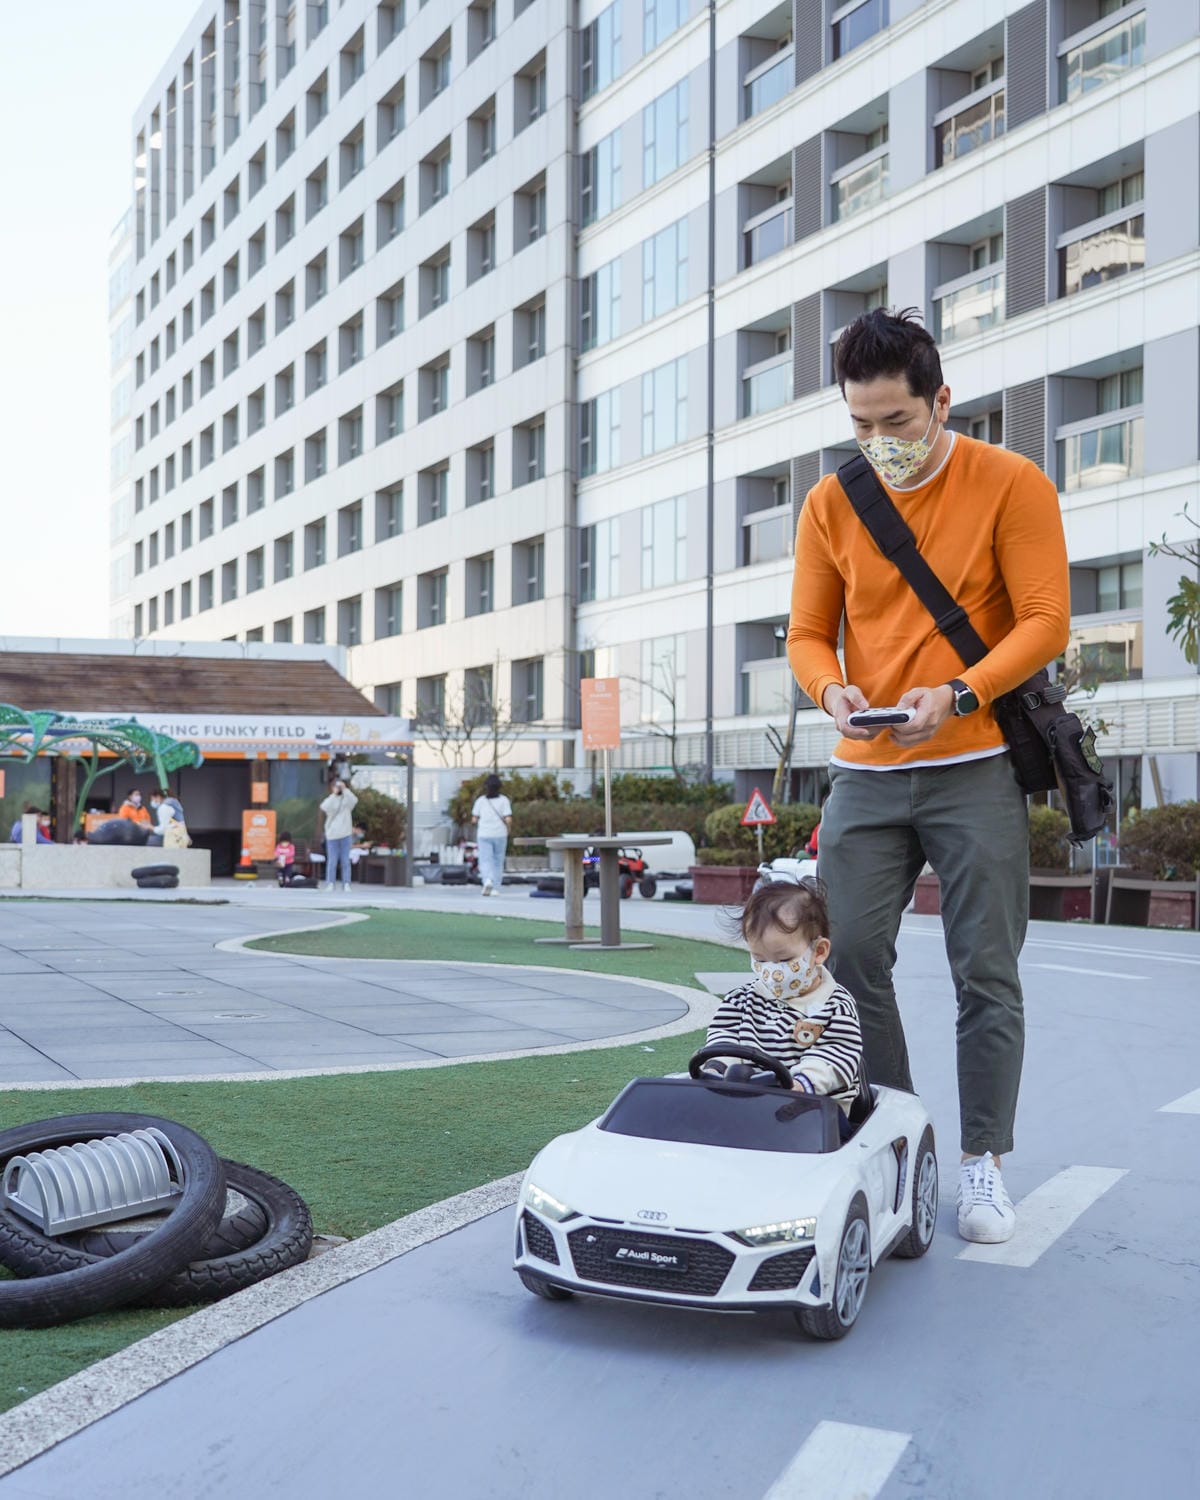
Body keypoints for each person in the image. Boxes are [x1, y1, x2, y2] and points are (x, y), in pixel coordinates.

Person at [787, 306, 1070, 1244]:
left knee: (985, 969)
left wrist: (958, 692)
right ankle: (901, 1137)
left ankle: (985, 1161)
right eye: (860, 424)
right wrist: (830, 691)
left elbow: (1045, 621)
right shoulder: (831, 503)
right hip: (865, 768)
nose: (879, 443)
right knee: (846, 955)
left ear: (941, 400)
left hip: (975, 763)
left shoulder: (1011, 483)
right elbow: (807, 634)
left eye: (897, 421)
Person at [703, 880, 862, 1118]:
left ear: (818, 952)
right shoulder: (740, 1000)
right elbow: (724, 1036)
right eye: (760, 959)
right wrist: (718, 1066)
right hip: (749, 1105)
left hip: (816, 1110)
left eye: (784, 960)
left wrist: (802, 1083)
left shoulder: (835, 1006)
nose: (771, 971)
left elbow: (836, 1053)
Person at [470, 773, 512, 896]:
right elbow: (508, 819)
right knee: (498, 861)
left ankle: (487, 880)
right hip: (500, 834)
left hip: (484, 834)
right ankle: (496, 887)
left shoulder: (480, 801)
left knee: (485, 860)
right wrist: (508, 829)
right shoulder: (504, 800)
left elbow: (474, 819)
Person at [319, 777, 358, 892]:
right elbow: (324, 807)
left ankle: (346, 883)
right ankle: (330, 883)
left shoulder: (346, 800)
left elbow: (354, 800)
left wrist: (345, 790)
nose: (339, 788)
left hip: (346, 834)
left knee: (345, 861)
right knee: (332, 861)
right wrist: (334, 794)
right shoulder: (331, 800)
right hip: (332, 835)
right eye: (336, 786)